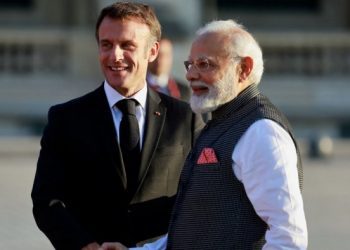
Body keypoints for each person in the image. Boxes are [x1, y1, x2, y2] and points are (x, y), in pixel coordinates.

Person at [99, 19, 308, 250]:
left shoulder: (261, 133)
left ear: (244, 69)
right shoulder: (220, 121)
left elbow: (288, 239)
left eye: (205, 64)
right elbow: (193, 231)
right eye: (190, 64)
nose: (190, 75)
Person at [31, 2, 204, 250]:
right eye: (106, 45)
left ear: (152, 51)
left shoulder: (185, 118)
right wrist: (85, 245)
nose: (115, 56)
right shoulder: (66, 119)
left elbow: (201, 196)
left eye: (127, 45)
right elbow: (47, 199)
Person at [147, 37, 191, 102]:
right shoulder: (136, 87)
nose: (161, 60)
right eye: (157, 54)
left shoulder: (183, 91)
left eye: (166, 55)